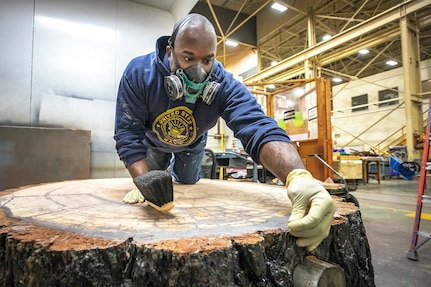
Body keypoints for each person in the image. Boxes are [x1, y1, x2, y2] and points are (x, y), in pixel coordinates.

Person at [114, 13, 334, 251]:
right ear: (170, 52)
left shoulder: (222, 84)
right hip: (153, 143)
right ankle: (159, 170)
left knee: (188, 181)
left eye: (207, 60)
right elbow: (128, 133)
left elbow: (258, 126)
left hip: (192, 142)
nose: (198, 71)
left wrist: (297, 175)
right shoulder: (139, 73)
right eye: (188, 58)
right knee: (153, 185)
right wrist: (143, 178)